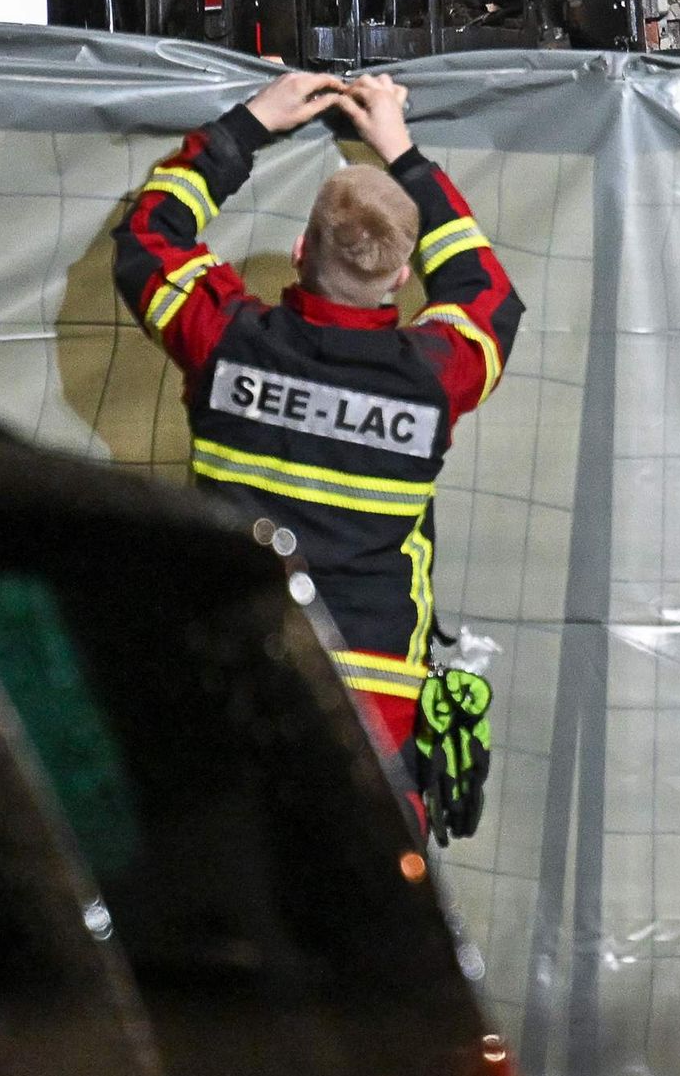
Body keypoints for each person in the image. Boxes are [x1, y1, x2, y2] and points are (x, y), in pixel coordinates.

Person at [112, 66, 524, 840]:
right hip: (379, 725)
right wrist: (400, 148)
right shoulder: (438, 375)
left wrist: (251, 125)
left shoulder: (226, 340)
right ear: (403, 279)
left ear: (300, 249)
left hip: (235, 690)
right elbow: (485, 291)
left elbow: (148, 238)